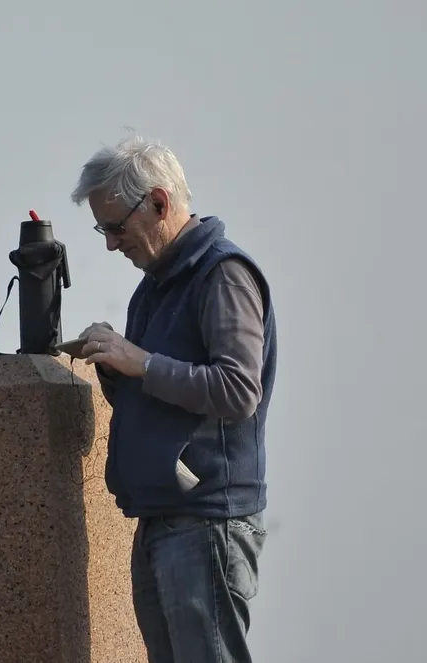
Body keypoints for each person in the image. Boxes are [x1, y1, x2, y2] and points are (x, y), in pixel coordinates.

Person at [70, 133, 277, 663]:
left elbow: (237, 389)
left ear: (159, 203)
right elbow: (163, 399)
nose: (112, 244)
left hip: (208, 520)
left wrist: (139, 361)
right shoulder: (156, 285)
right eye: (103, 229)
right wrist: (118, 370)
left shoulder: (223, 275)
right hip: (165, 516)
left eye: (115, 227)